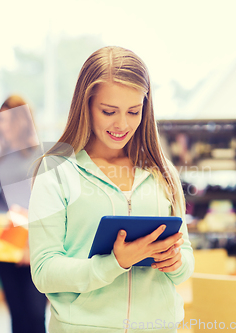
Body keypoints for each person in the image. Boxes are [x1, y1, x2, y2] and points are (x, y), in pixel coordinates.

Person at [28, 46, 194, 333]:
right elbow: (44, 272)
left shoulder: (161, 171)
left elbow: (186, 259)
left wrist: (176, 261)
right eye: (108, 111)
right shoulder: (55, 171)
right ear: (86, 105)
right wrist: (114, 263)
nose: (122, 124)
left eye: (133, 111)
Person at [0, 95, 48, 333]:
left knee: (35, 316)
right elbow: (1, 205)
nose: (2, 124)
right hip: (7, 245)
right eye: (0, 119)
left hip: (34, 244)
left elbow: (48, 206)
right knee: (17, 316)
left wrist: (29, 244)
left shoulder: (42, 157)